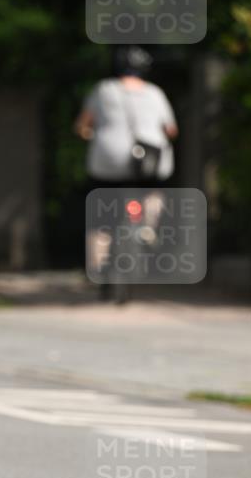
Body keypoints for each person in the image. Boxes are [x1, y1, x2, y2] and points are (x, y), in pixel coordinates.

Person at [74, 46, 178, 299]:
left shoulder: (103, 90)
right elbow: (171, 130)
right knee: (154, 192)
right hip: (147, 165)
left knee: (101, 220)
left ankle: (98, 266)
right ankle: (148, 227)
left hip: (108, 164)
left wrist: (91, 135)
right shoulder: (155, 93)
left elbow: (82, 126)